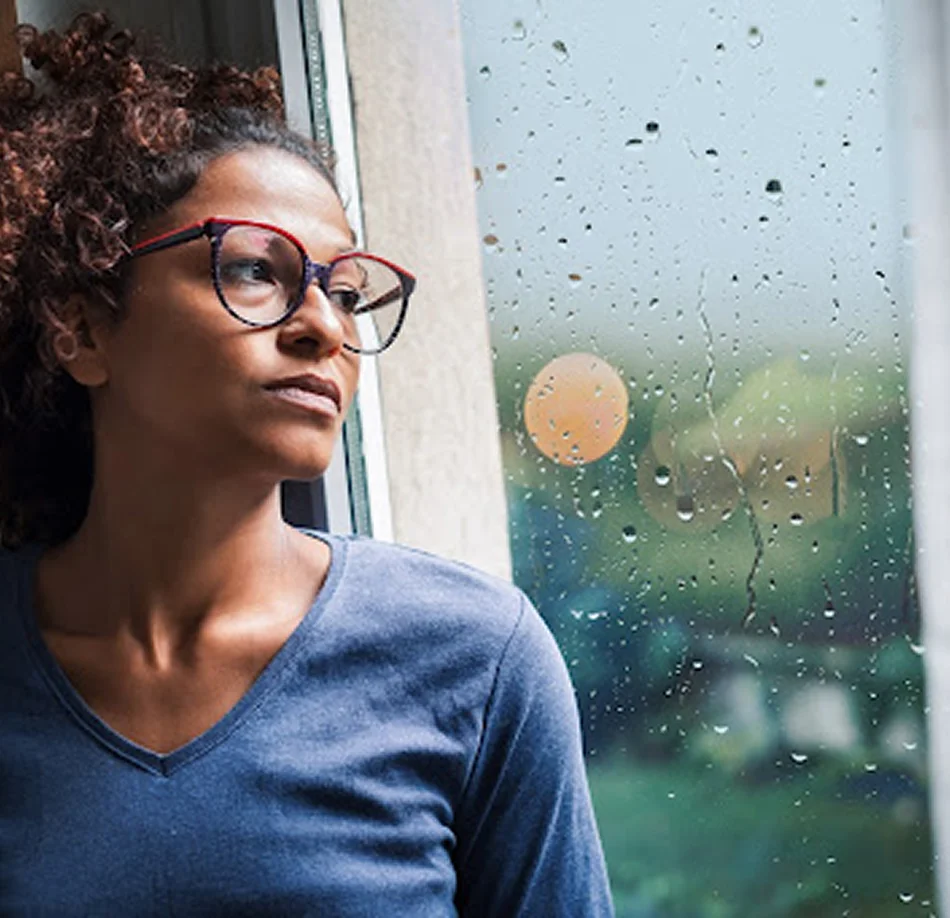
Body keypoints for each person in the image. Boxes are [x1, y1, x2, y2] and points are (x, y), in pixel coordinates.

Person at [0, 13, 613, 916]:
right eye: (255, 269)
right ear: (84, 327)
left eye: (346, 291)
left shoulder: (477, 661)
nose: (325, 326)